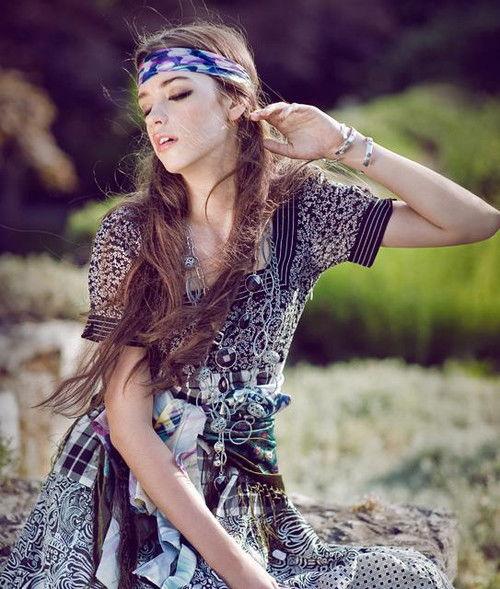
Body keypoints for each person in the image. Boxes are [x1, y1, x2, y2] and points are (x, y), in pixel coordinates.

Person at [2, 19, 498, 589]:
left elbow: (474, 222)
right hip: (129, 495)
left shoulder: (302, 213)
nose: (156, 117)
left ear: (236, 102)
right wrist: (246, 577)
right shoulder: (131, 233)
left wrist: (342, 143)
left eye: (178, 94)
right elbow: (129, 424)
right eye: (147, 104)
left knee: (411, 578)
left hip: (248, 496)